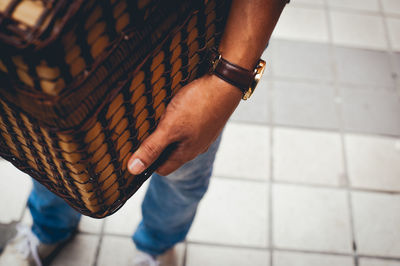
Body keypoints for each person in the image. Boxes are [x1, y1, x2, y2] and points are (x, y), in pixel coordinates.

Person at [0, 0, 287, 265]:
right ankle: (48, 229)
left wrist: (228, 80)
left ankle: (156, 248)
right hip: (55, 45)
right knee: (55, 156)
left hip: (191, 37)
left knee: (181, 173)